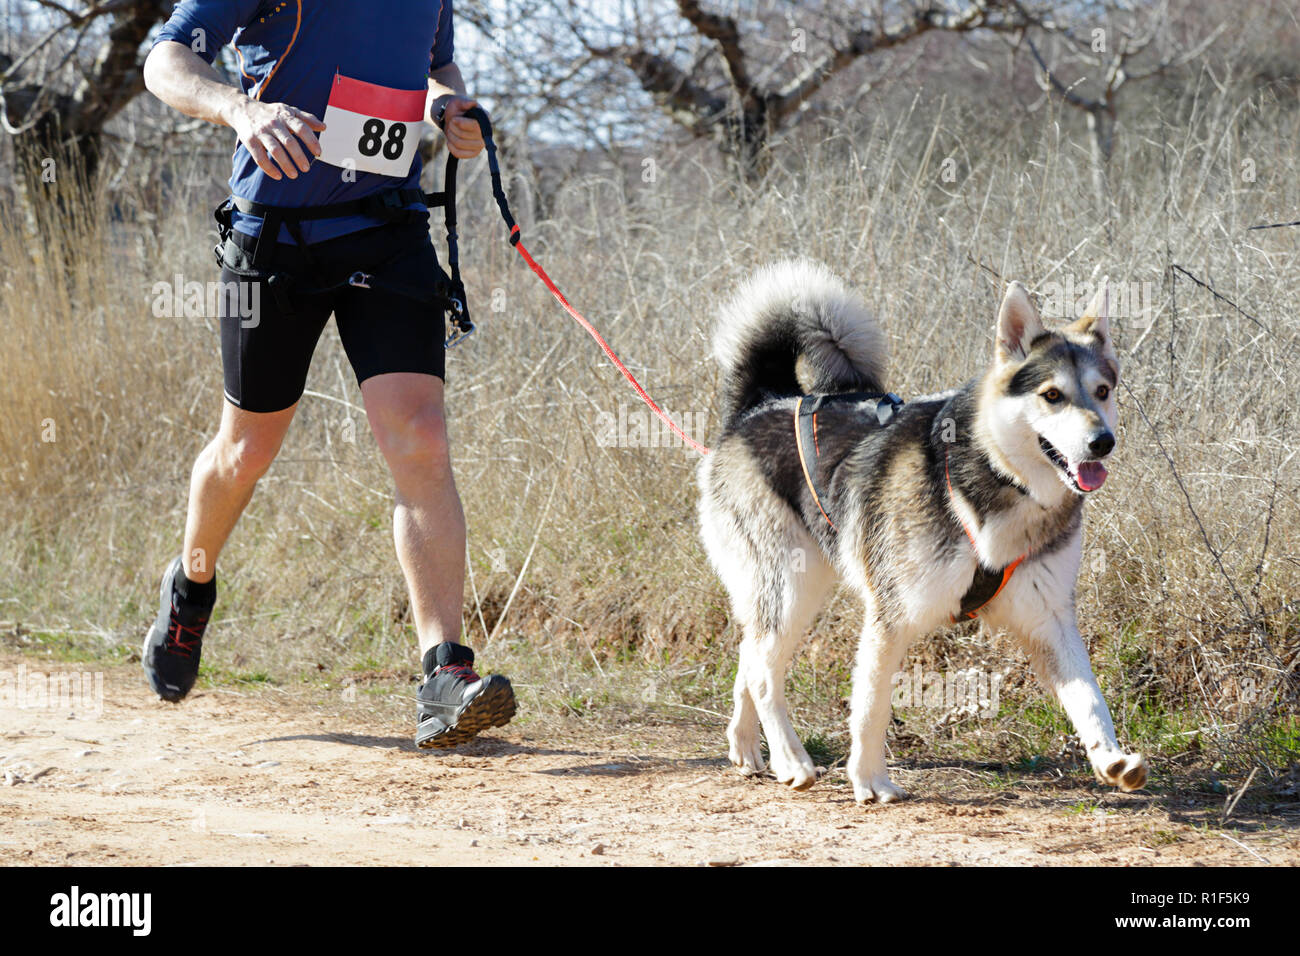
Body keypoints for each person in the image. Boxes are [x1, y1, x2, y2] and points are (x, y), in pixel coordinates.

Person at [140, 0, 516, 748]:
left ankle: (445, 677)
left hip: (386, 227)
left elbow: (432, 65)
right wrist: (240, 111)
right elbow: (165, 60)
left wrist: (448, 107)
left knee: (420, 436)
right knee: (245, 451)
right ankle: (191, 585)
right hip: (272, 238)